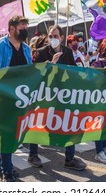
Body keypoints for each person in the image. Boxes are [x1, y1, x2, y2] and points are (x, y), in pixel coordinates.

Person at [28, 25, 87, 171]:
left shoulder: (67, 51)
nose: (52, 39)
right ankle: (33, 154)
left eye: (55, 36)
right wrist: (51, 64)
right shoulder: (41, 52)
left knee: (69, 122)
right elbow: (36, 72)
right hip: (45, 94)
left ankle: (70, 158)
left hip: (63, 94)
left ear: (61, 38)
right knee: (37, 123)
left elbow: (73, 70)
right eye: (50, 36)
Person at [0, 15, 32, 182]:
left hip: (21, 97)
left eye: (26, 28)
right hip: (4, 97)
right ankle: (7, 170)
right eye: (22, 28)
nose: (25, 31)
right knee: (6, 133)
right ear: (12, 29)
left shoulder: (26, 48)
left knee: (13, 133)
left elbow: (29, 71)